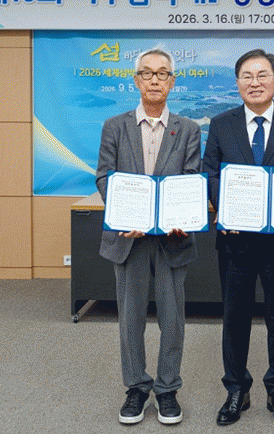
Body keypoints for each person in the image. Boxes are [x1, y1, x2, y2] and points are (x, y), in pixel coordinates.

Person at [203, 49, 274, 428]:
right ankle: (236, 388)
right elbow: (211, 172)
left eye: (262, 75)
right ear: (237, 84)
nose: (255, 82)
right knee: (234, 316)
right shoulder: (222, 124)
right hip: (236, 240)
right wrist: (225, 207)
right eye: (247, 76)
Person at [96, 48, 201, 426]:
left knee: (173, 320)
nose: (155, 80)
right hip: (130, 238)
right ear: (136, 80)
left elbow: (191, 178)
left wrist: (183, 216)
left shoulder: (188, 129)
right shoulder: (114, 126)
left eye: (162, 74)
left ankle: (168, 388)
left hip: (172, 239)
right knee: (131, 319)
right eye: (147, 73)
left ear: (172, 82)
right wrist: (126, 214)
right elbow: (105, 177)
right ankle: (137, 387)